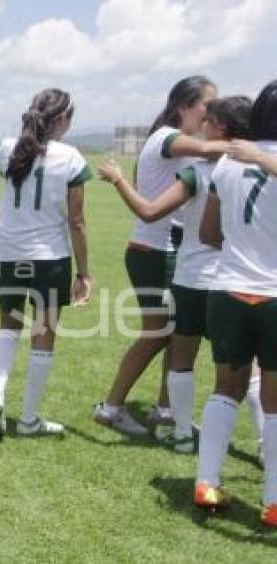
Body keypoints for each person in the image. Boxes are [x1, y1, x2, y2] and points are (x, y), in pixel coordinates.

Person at [98, 96, 260, 452]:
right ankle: (264, 446)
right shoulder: (263, 169)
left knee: (179, 353)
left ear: (219, 128)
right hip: (245, 281)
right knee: (248, 368)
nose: (203, 123)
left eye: (209, 119)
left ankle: (181, 430)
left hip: (193, 277)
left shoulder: (200, 172)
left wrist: (119, 180)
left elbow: (153, 211)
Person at [93, 76, 224, 437]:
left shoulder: (169, 139)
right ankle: (112, 406)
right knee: (158, 332)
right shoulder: (169, 137)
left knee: (175, 332)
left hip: (161, 250)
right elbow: (213, 151)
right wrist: (255, 143)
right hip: (154, 252)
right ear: (183, 106)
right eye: (207, 105)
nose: (211, 113)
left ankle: (166, 410)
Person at [0, 88, 91, 442]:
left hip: (8, 253)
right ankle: (28, 419)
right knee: (43, 338)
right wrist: (84, 272)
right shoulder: (71, 157)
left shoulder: (7, 147)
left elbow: (11, 177)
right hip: (49, 258)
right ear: (61, 120)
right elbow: (76, 221)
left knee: (8, 326)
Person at [194, 80, 277, 527]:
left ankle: (206, 482)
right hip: (274, 294)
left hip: (227, 289)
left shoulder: (228, 161)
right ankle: (274, 500)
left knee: (225, 388)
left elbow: (208, 234)